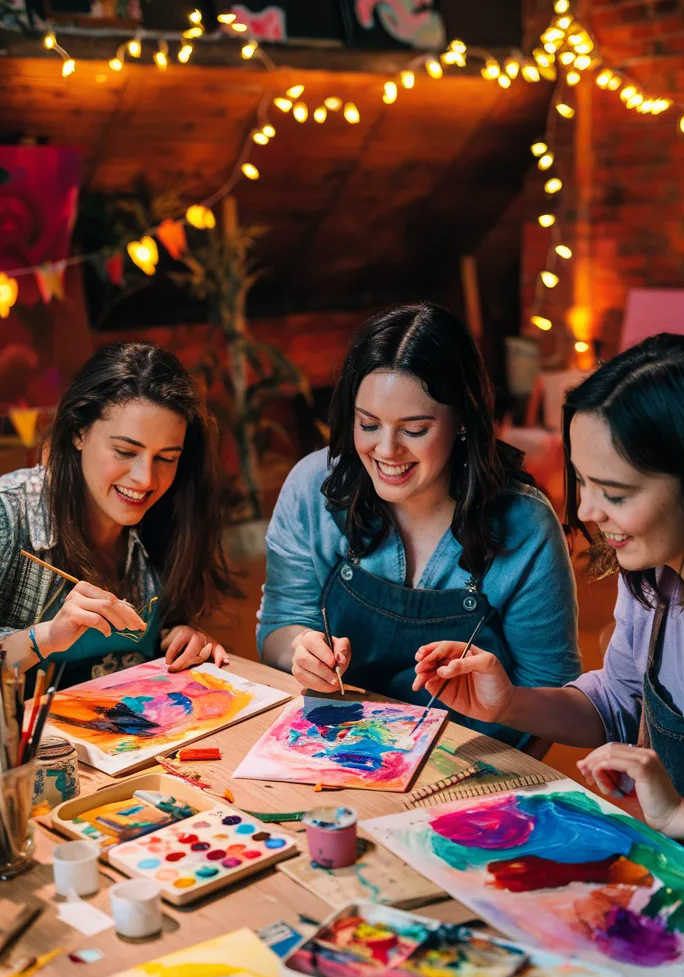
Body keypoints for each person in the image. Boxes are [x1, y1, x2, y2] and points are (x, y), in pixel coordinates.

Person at [413, 332, 684, 885]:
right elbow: (619, 703)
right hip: (681, 882)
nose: (585, 509)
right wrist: (509, 704)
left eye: (616, 493)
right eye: (581, 479)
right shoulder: (651, 579)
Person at [258, 302, 581, 746]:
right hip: (340, 746)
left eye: (414, 429)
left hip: (474, 768)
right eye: (368, 424)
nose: (387, 450)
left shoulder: (525, 524)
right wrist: (300, 649)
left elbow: (553, 691)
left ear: (462, 422)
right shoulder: (314, 487)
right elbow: (279, 625)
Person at [0, 341, 234, 690]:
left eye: (166, 458)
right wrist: (46, 637)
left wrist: (181, 639)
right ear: (79, 431)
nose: (145, 479)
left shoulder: (171, 515)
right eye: (125, 451)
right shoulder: (9, 513)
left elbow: (158, 643)